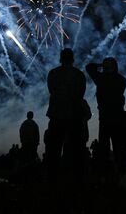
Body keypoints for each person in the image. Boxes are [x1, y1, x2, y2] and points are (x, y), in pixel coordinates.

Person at [46, 48, 86, 182]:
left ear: (61, 58)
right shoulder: (79, 75)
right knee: (74, 148)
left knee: (53, 148)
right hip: (74, 116)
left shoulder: (53, 73)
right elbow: (81, 94)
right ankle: (73, 177)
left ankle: (52, 177)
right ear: (73, 59)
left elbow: (51, 90)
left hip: (56, 115)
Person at [86, 57, 126, 174]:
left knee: (104, 148)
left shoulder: (101, 79)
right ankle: (120, 174)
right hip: (118, 117)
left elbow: (89, 67)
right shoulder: (122, 80)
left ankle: (105, 174)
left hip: (104, 117)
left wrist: (101, 65)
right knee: (119, 147)